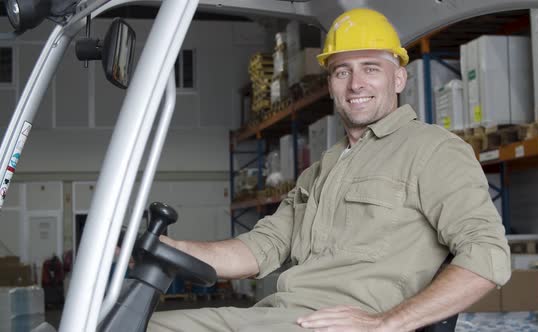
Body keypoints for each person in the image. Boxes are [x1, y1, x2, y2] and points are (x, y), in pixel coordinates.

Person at [148, 8, 510, 332]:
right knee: (134, 323)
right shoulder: (322, 169)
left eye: (371, 68)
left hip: (341, 323)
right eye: (342, 71)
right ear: (330, 84)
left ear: (399, 78)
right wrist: (168, 248)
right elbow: (261, 247)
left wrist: (386, 323)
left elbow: (488, 255)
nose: (356, 84)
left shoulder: (434, 150)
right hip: (277, 315)